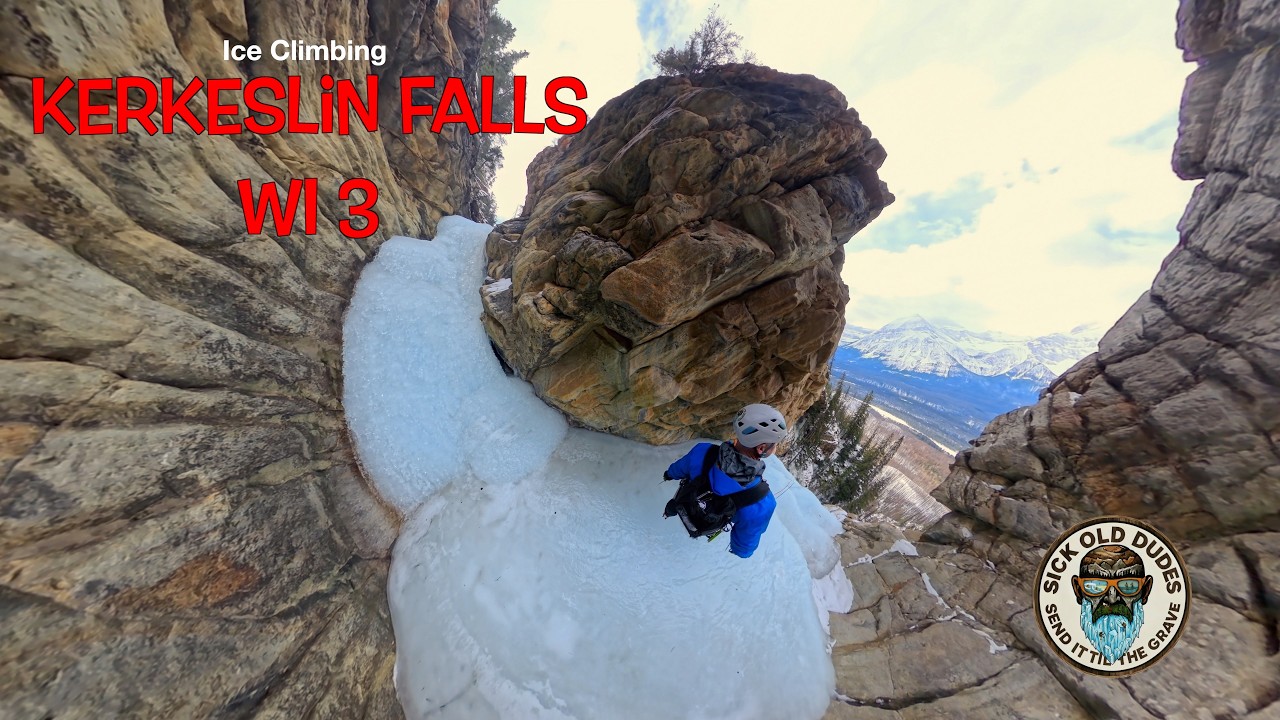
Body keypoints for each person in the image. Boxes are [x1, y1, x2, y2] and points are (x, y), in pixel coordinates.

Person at [662, 403, 785, 558]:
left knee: (678, 503)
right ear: (761, 448)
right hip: (707, 525)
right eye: (774, 444)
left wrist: (668, 475)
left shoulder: (703, 451)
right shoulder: (762, 504)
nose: (775, 448)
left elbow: (677, 470)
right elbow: (743, 549)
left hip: (684, 502)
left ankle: (668, 513)